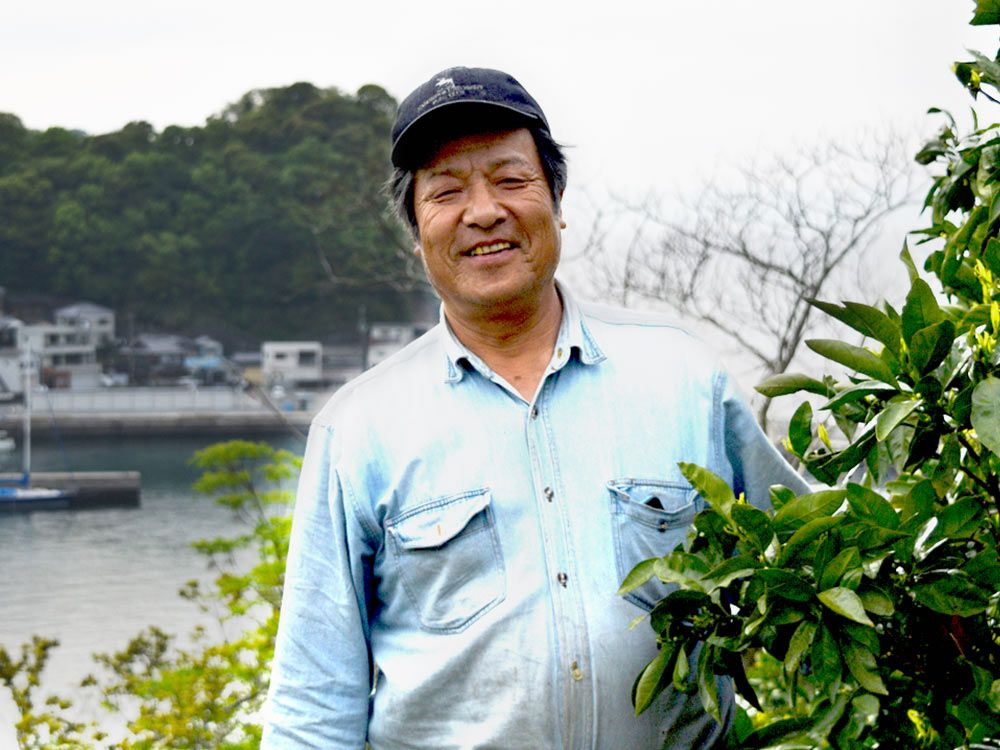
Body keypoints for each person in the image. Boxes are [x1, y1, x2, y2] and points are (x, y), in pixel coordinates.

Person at [262, 66, 809, 749]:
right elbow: (314, 700)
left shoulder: (685, 378)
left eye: (511, 179)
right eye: (447, 192)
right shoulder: (358, 430)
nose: (483, 211)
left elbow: (814, 556)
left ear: (556, 200)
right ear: (417, 232)